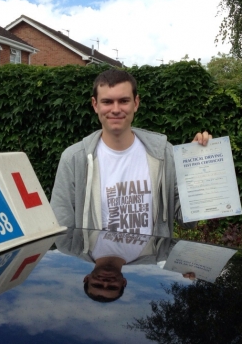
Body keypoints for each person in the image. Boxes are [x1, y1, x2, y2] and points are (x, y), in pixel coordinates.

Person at [50, 69, 211, 238]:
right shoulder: (74, 159)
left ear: (136, 103)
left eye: (124, 101)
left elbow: (187, 221)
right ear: (95, 104)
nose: (116, 109)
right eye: (107, 102)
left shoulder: (164, 153)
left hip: (150, 264)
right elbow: (62, 229)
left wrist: (196, 170)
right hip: (98, 264)